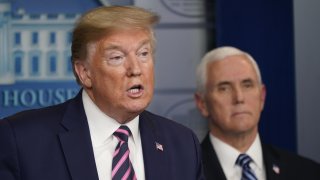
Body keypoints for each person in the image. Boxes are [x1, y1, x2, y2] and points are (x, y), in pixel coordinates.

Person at [0, 6, 204, 180]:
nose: (136, 69)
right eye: (117, 57)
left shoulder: (182, 144)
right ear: (85, 73)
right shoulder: (21, 141)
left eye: (143, 54)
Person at [194, 46, 320, 180]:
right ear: (202, 103)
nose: (239, 98)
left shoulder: (307, 172)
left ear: (262, 97)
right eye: (224, 88)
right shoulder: (184, 172)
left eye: (247, 85)